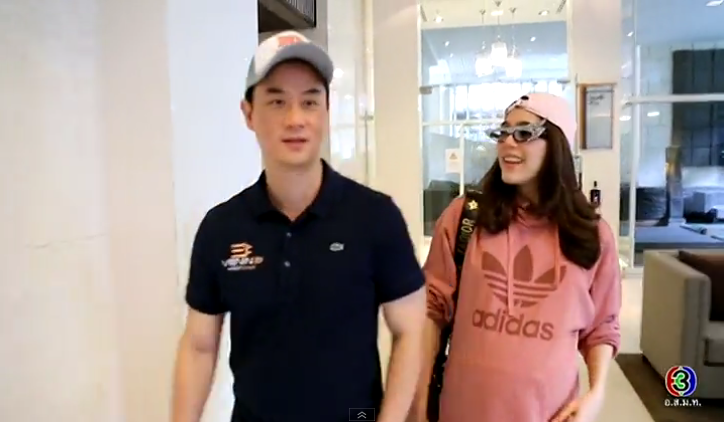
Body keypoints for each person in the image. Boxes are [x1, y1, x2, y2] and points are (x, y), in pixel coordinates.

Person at [171, 31, 426, 422]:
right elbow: (199, 346)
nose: (295, 119)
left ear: (326, 111)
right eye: (277, 102)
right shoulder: (222, 227)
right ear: (248, 114)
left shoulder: (375, 217)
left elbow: (410, 330)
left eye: (309, 101)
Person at [411, 93, 622, 422]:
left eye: (524, 133)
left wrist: (597, 392)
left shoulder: (591, 235)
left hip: (550, 413)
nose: (508, 142)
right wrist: (419, 397)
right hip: (463, 410)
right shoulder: (466, 217)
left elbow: (602, 327)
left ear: (557, 146)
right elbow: (431, 307)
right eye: (503, 132)